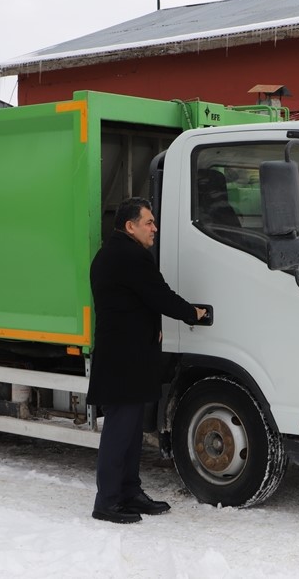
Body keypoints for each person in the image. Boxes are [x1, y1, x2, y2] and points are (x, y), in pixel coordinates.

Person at [87, 197, 206, 524]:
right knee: (119, 431)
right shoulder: (131, 256)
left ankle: (129, 492)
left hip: (125, 355)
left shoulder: (110, 254)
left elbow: (135, 302)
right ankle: (107, 502)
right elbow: (159, 294)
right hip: (125, 359)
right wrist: (193, 313)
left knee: (129, 431)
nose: (154, 228)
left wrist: (152, 326)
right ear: (130, 226)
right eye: (148, 223)